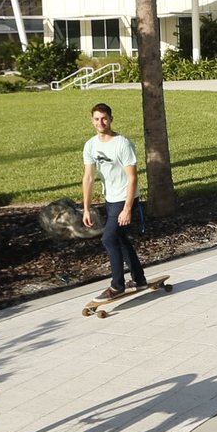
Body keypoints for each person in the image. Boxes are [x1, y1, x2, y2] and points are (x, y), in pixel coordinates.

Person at [80, 102, 149, 298]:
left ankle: (117, 286)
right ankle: (139, 279)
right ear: (91, 120)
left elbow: (133, 177)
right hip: (110, 198)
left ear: (111, 119)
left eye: (104, 118)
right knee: (120, 238)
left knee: (108, 238)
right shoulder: (90, 145)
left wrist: (127, 208)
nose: (100, 122)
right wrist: (86, 208)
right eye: (96, 119)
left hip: (126, 197)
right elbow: (88, 177)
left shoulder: (122, 144)